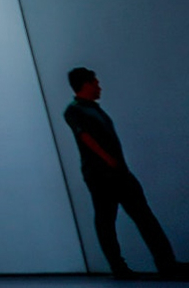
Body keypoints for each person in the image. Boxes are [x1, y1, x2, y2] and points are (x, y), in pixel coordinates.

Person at [64, 67, 185, 279]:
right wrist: (107, 158)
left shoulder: (94, 109)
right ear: (85, 84)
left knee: (142, 216)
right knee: (108, 220)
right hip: (101, 175)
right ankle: (121, 267)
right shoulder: (75, 111)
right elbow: (84, 136)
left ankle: (166, 264)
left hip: (117, 172)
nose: (99, 86)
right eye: (95, 82)